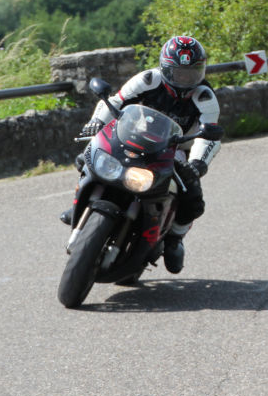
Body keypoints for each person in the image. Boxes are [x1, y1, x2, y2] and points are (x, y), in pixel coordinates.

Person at [66, 35, 221, 274]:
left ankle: (174, 239)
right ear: (166, 69)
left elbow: (208, 135)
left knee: (193, 199)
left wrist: (198, 163)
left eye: (192, 73)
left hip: (176, 150)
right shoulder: (148, 79)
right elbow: (116, 101)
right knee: (87, 157)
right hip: (132, 136)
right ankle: (81, 202)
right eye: (179, 73)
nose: (185, 79)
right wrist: (96, 123)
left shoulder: (204, 96)